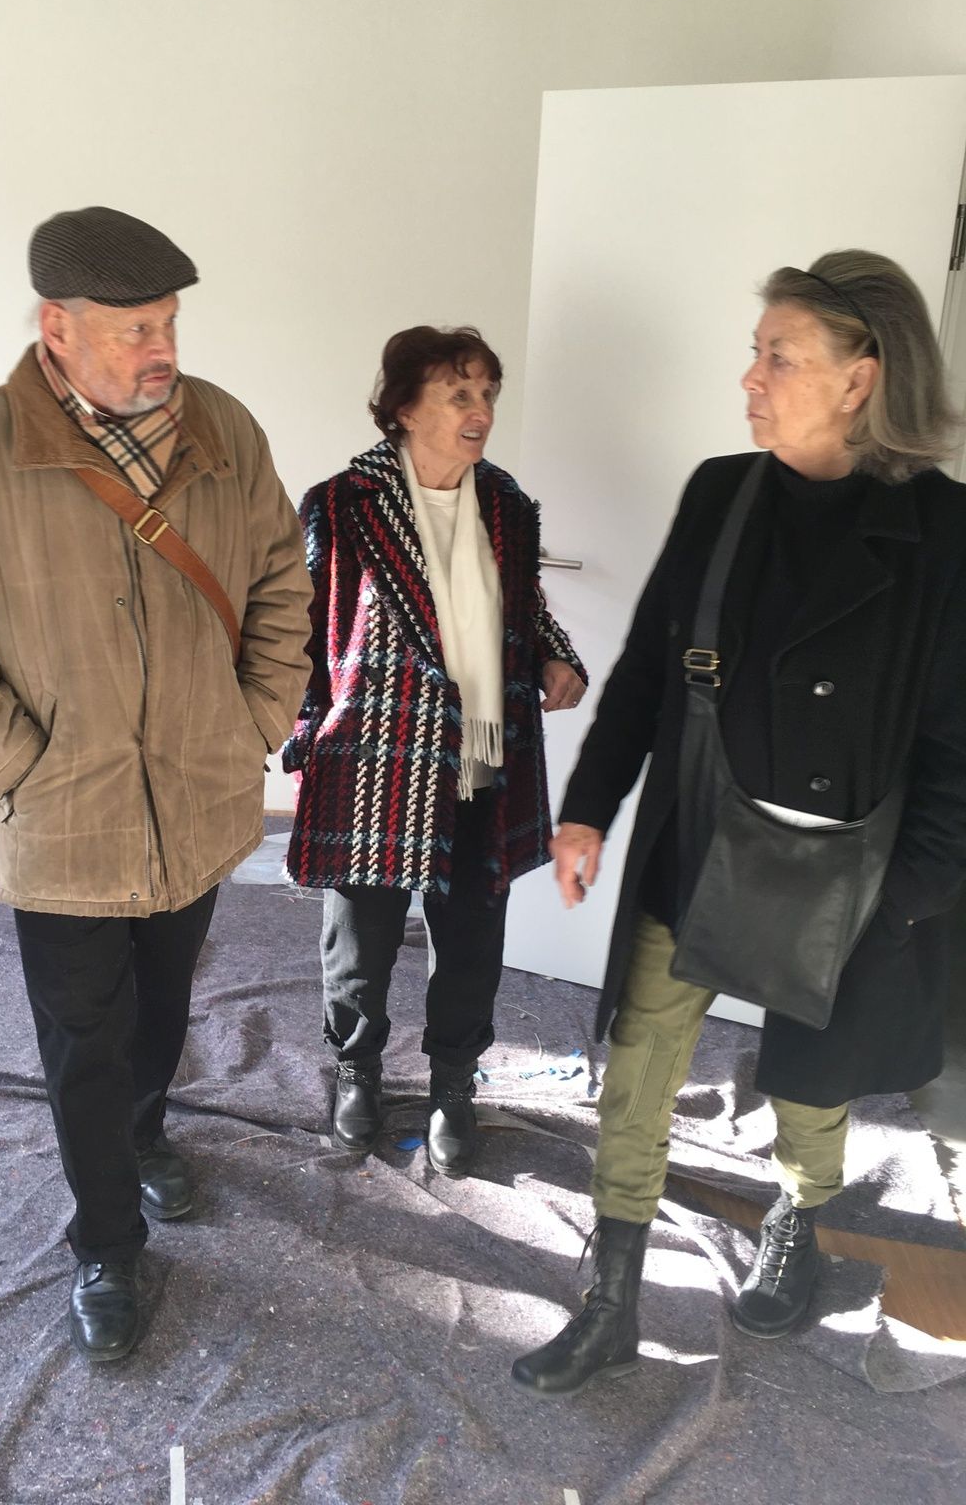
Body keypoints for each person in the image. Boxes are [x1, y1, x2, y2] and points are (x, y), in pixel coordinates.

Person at [512, 250, 966, 1395]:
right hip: (702, 841)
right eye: (757, 353)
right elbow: (645, 673)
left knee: (811, 1084)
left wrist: (906, 902)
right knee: (639, 1065)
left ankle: (800, 1227)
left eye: (780, 357)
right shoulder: (724, 492)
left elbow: (959, 752)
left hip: (852, 876)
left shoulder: (947, 533)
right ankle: (611, 1300)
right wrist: (588, 809)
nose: (751, 378)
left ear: (861, 377)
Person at [0, 206, 312, 1362]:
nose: (161, 349)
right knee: (84, 1032)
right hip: (62, 821)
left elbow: (282, 579)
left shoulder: (222, 428)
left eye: (168, 323)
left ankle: (147, 1130)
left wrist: (254, 720)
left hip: (198, 797)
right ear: (56, 327)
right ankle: (107, 1241)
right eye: (133, 330)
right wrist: (20, 767)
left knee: (163, 1004)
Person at [282, 326, 587, 1176]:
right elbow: (301, 623)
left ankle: (455, 1080)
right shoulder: (343, 502)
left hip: (482, 743)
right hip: (375, 745)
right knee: (363, 935)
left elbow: (524, 606)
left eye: (487, 393)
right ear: (405, 409)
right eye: (459, 394)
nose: (480, 410)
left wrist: (556, 654)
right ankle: (357, 1068)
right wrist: (302, 727)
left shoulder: (506, 503)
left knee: (473, 933)